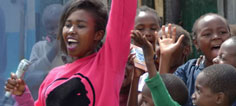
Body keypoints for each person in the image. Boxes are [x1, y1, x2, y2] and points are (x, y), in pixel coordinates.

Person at [5, 0, 137, 106]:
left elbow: (123, 11)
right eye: (68, 25)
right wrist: (22, 94)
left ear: (98, 35)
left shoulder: (108, 65)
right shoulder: (53, 76)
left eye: (80, 26)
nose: (71, 31)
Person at [160, 13, 231, 106]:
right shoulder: (188, 71)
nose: (216, 37)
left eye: (222, 32)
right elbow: (164, 98)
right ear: (196, 43)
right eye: (207, 34)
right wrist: (165, 57)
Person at [130, 24, 188, 106]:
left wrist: (164, 57)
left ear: (186, 50)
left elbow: (159, 92)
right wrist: (135, 77)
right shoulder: (146, 78)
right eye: (158, 42)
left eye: (172, 41)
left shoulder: (189, 75)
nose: (162, 46)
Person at [120, 6, 161, 106]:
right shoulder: (124, 60)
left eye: (153, 28)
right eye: (140, 29)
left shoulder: (164, 60)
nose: (147, 33)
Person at [24, 4, 64, 100]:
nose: (55, 31)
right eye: (51, 28)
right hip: (44, 98)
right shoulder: (39, 47)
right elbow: (31, 74)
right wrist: (53, 52)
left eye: (59, 27)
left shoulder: (72, 47)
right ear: (45, 29)